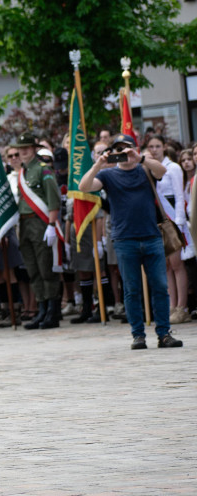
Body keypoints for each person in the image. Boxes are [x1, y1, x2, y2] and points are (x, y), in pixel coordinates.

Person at [79, 134, 183, 350]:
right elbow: (84, 187)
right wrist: (98, 164)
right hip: (125, 239)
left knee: (160, 287)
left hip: (152, 236)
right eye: (119, 149)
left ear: (134, 148)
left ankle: (164, 334)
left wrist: (140, 158)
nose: (124, 153)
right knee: (131, 289)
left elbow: (162, 171)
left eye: (127, 148)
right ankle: (138, 335)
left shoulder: (145, 168)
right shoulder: (108, 174)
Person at [9, 133, 63, 330]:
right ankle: (41, 308)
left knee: (45, 267)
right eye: (20, 149)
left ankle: (52, 311)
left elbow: (53, 199)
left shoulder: (43, 169)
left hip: (40, 222)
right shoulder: (22, 172)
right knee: (32, 269)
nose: (22, 152)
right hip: (25, 225)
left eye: (26, 148)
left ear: (33, 149)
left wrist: (51, 224)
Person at [145, 135, 190, 325]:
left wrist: (179, 222)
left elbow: (179, 196)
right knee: (166, 266)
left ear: (164, 147)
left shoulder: (173, 167)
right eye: (151, 147)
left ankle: (182, 306)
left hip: (172, 219)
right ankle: (172, 305)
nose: (154, 150)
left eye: (157, 146)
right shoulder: (148, 169)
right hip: (157, 221)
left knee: (177, 264)